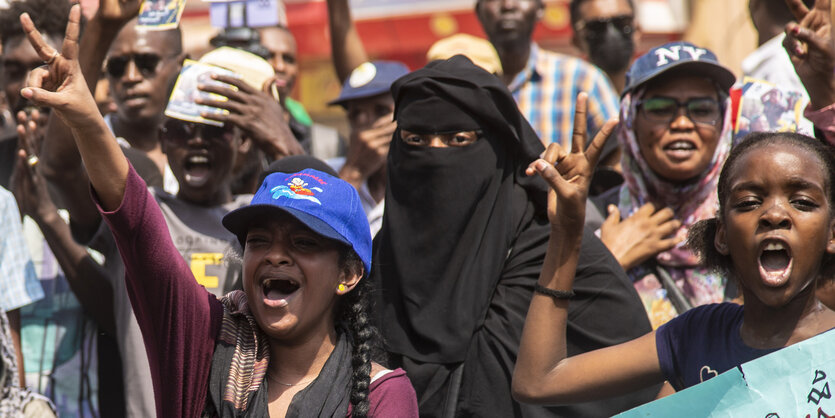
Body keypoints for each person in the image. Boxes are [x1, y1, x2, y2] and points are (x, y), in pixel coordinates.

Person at [18, 5, 420, 417]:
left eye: (303, 242)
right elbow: (138, 226)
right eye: (259, 240)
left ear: (349, 274)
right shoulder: (203, 345)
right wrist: (87, 119)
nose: (276, 256)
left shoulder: (382, 395)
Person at [371, 55, 657, 417]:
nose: (435, 155)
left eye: (457, 138)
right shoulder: (377, 265)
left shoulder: (560, 256)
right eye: (415, 139)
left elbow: (641, 391)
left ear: (498, 149)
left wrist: (565, 240)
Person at [513, 127, 835, 405]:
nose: (775, 215)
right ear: (722, 236)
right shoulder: (696, 337)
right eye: (749, 203)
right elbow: (539, 381)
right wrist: (567, 232)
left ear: (831, 233)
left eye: (802, 202)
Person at [595, 41, 737, 328]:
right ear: (631, 120)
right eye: (660, 108)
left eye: (701, 108)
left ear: (723, 120)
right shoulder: (592, 222)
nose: (682, 123)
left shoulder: (749, 217)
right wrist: (605, 265)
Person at [474, 0, 619, 149]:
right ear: (479, 12)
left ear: (540, 9)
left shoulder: (582, 78)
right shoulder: (466, 85)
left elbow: (622, 150)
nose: (508, 5)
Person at [569, 0, 639, 94]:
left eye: (622, 23)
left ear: (638, 31)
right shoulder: (566, 95)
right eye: (596, 27)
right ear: (577, 42)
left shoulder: (655, 91)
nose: (611, 33)